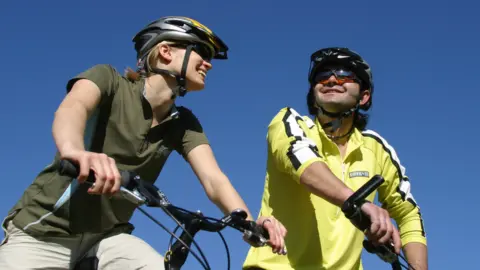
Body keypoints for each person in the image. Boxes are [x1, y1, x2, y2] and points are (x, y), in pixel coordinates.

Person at [0, 16, 287, 270]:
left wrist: (250, 222)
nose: (208, 63)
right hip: (44, 231)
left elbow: (214, 179)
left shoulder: (183, 122)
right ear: (165, 52)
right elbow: (73, 108)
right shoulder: (109, 80)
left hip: (107, 237)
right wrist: (75, 152)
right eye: (201, 51)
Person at [242, 47, 428, 270]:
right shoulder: (290, 122)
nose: (331, 79)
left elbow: (408, 214)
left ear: (364, 96)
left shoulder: (376, 148)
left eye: (344, 74)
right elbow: (303, 162)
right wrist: (358, 203)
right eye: (322, 76)